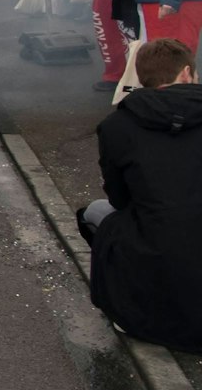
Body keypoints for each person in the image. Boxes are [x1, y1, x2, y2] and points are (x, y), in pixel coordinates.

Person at [76, 38, 202, 354]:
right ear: (186, 73)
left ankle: (131, 296)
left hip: (158, 259)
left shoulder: (117, 125)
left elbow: (119, 199)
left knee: (95, 212)